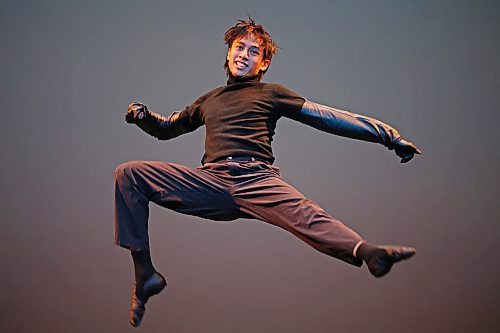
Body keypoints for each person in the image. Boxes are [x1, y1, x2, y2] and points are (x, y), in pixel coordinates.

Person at [115, 18, 421, 327]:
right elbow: (168, 127)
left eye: (253, 51)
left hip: (256, 179)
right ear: (228, 53)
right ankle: (145, 275)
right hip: (212, 181)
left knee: (306, 214)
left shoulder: (272, 94)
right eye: (239, 48)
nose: (244, 55)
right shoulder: (209, 100)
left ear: (264, 63)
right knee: (129, 174)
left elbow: (327, 116)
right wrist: (143, 117)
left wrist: (388, 136)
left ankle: (369, 253)